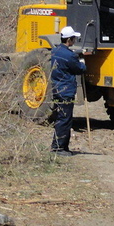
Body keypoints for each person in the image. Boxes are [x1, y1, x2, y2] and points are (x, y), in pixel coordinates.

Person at [50, 26, 87, 156]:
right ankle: (58, 148)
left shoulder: (55, 51)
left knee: (62, 118)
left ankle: (63, 147)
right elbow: (80, 69)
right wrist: (81, 61)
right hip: (66, 90)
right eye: (74, 38)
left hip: (56, 88)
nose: (75, 40)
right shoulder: (70, 55)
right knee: (65, 119)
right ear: (69, 40)